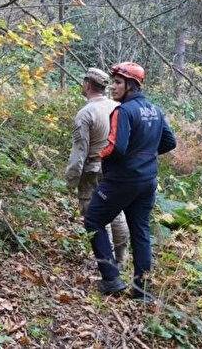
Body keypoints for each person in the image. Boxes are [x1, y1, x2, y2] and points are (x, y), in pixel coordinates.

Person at [83, 62, 176, 300]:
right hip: (147, 180)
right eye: (113, 82)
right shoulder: (155, 110)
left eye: (118, 82)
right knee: (140, 230)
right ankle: (142, 290)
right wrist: (145, 154)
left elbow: (117, 147)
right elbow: (170, 142)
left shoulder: (123, 111)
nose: (113, 87)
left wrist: (98, 155)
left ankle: (111, 278)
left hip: (121, 180)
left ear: (131, 86)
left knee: (93, 219)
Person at [64, 68, 129, 266]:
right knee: (116, 211)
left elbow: (79, 151)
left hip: (93, 170)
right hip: (116, 169)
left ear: (87, 84)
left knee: (95, 215)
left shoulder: (86, 113)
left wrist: (72, 179)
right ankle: (121, 258)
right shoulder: (118, 107)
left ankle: (106, 261)